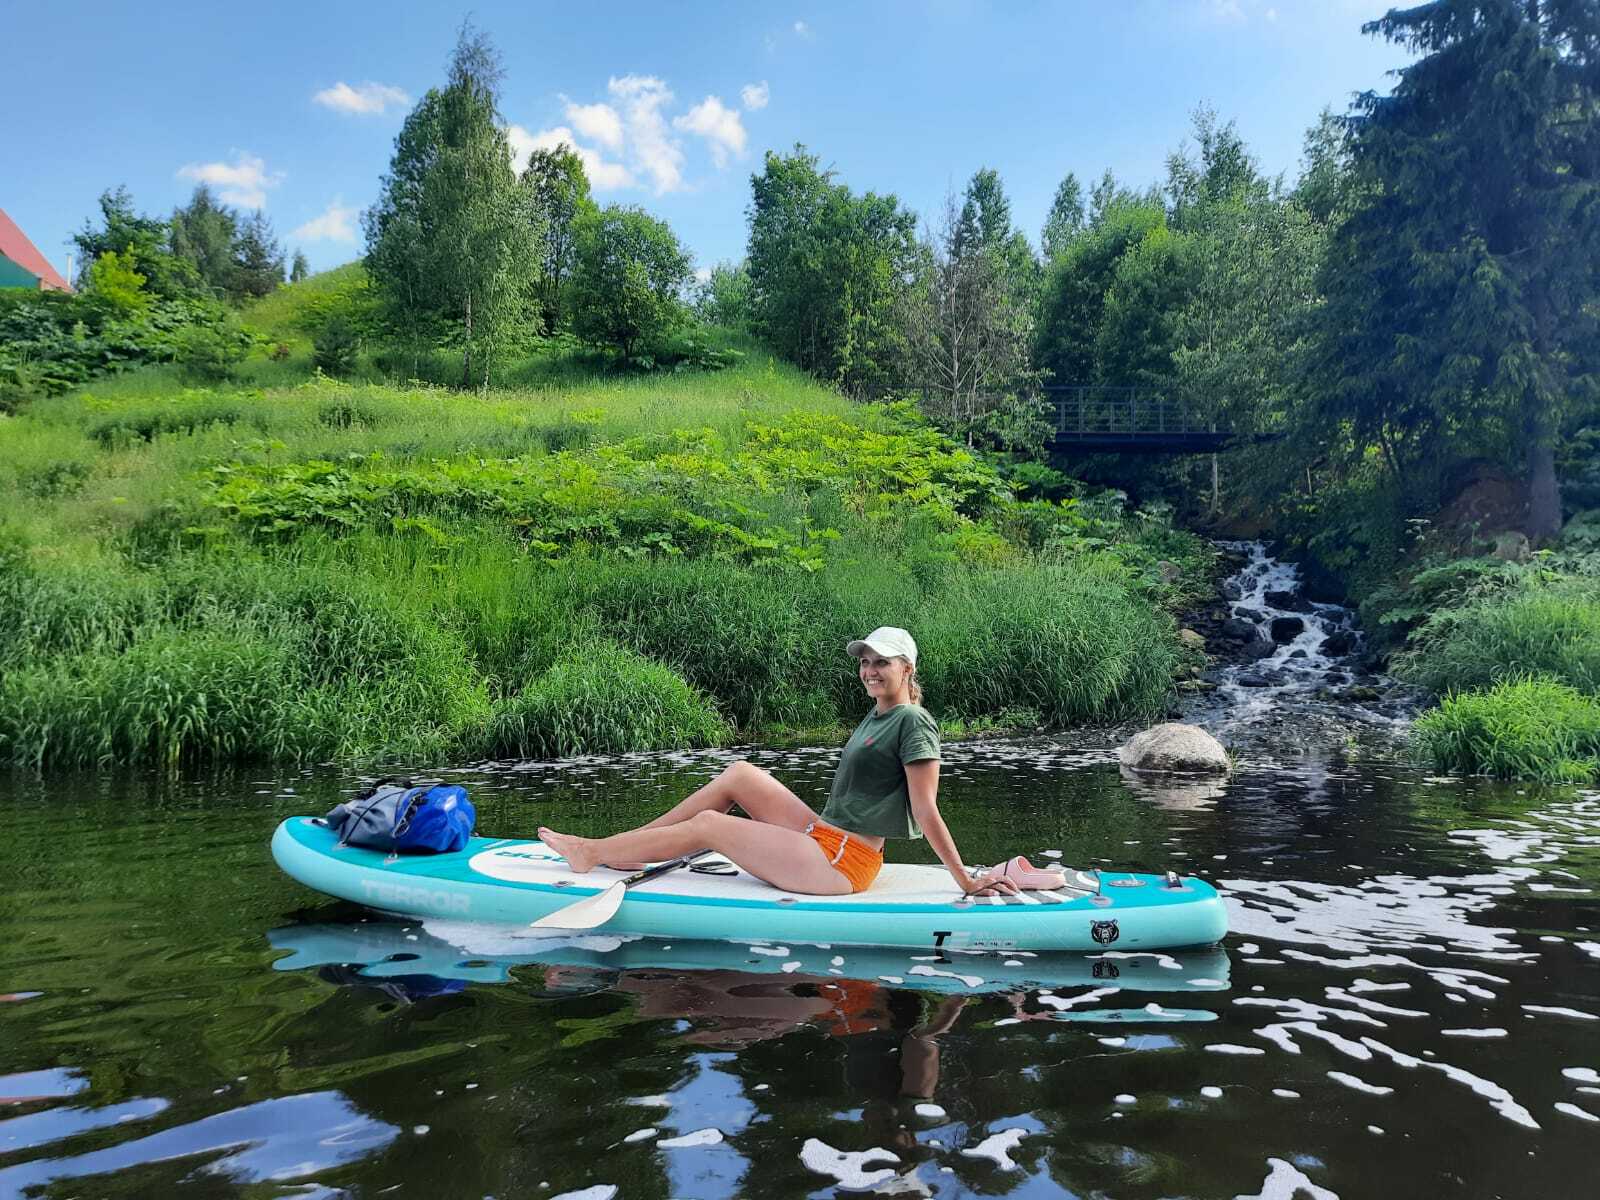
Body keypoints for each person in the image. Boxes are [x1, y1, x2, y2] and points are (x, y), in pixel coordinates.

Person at [537, 627, 1020, 898]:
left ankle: (593, 852)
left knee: (710, 825)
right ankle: (627, 848)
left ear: (907, 669)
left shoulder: (912, 721)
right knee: (740, 775)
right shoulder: (878, 714)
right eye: (866, 661)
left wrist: (964, 878)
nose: (871, 671)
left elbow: (927, 807)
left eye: (883, 663)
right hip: (824, 837)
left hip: (843, 863)